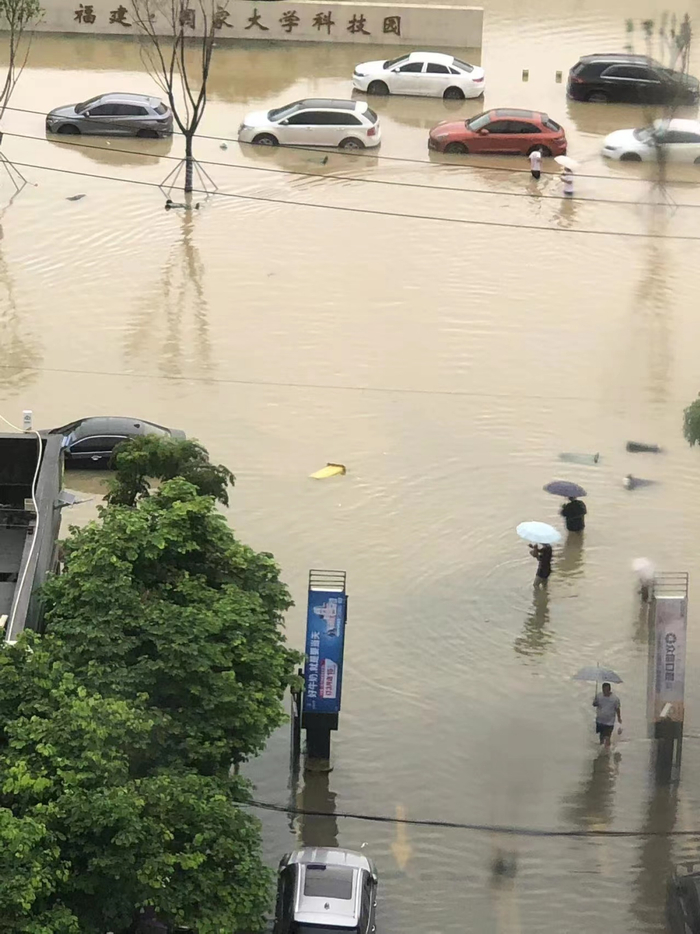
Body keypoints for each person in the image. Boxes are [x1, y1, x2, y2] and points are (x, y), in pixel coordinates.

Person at [592, 682, 622, 749]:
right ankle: (601, 749)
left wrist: (619, 718)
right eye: (604, 690)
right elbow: (594, 704)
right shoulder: (599, 696)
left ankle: (607, 749)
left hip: (610, 721)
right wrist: (595, 703)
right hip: (600, 720)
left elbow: (617, 708)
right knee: (601, 736)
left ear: (609, 689)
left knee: (607, 736)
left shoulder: (615, 699)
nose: (605, 691)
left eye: (606, 690)